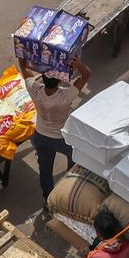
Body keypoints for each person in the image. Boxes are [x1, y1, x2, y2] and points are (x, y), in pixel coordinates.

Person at [21, 57, 90, 204]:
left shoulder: (35, 90)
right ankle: (68, 193)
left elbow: (24, 68)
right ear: (59, 80)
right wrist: (78, 64)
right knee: (74, 163)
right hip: (62, 139)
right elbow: (86, 75)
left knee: (45, 170)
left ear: (42, 78)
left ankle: (48, 199)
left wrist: (24, 54)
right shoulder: (65, 96)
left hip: (41, 137)